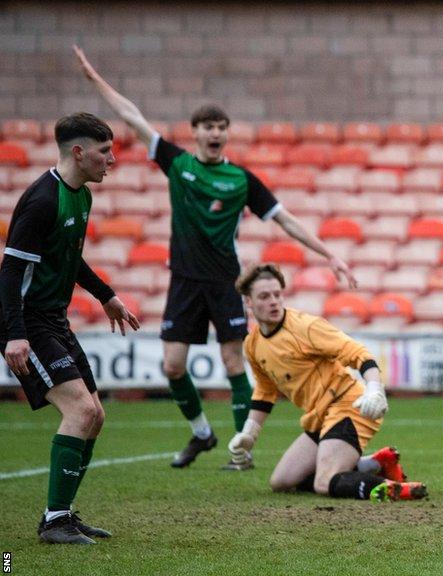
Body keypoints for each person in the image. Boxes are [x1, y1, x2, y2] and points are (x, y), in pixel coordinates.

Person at [74, 46, 358, 470]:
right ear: (195, 132)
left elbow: (286, 220)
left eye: (221, 127)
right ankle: (203, 432)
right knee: (172, 366)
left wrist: (330, 254)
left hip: (227, 281)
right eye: (208, 126)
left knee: (232, 362)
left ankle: (242, 453)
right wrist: (96, 80)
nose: (215, 133)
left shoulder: (241, 180)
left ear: (227, 133)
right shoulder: (178, 163)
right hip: (184, 280)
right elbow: (133, 117)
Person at [0, 113, 141, 544]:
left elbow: (69, 257)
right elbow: (10, 273)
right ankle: (55, 522)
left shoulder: (79, 196)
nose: (111, 160)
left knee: (95, 416)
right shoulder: (43, 200)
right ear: (78, 152)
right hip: (32, 322)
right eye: (104, 152)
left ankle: (60, 516)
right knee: (80, 411)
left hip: (55, 320)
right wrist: (13, 333)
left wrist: (106, 294)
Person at [229, 263, 427, 502]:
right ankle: (375, 464)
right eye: (264, 296)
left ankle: (397, 488)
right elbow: (265, 390)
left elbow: (357, 352)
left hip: (348, 407)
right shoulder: (252, 344)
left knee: (324, 482)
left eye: (277, 294)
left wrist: (374, 388)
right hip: (320, 416)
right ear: (248, 301)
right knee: (281, 481)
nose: (273, 301)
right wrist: (250, 432)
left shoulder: (305, 327)